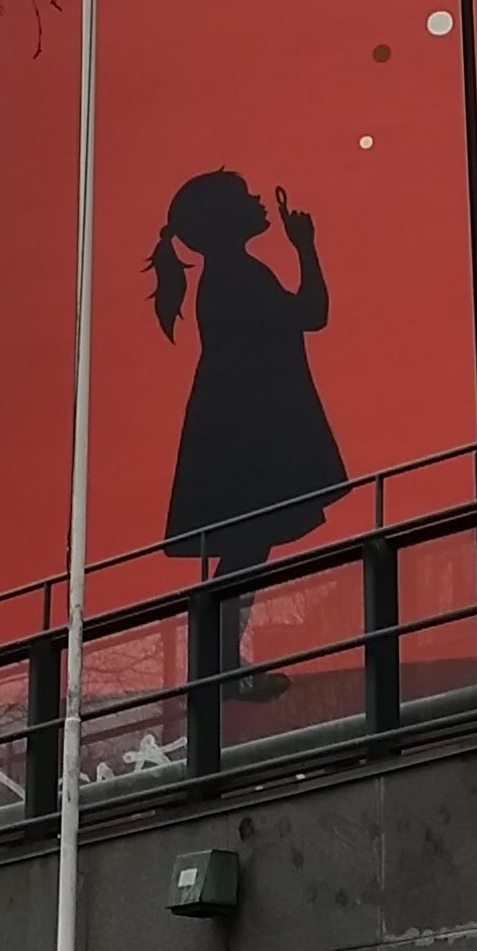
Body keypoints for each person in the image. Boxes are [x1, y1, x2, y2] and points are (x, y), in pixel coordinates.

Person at [151, 171, 347, 684]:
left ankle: (219, 663)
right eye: (244, 196)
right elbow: (313, 313)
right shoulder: (238, 275)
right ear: (225, 219)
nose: (258, 200)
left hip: (236, 437)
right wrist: (305, 247)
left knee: (249, 547)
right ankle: (218, 665)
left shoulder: (232, 274)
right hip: (245, 442)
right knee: (247, 546)